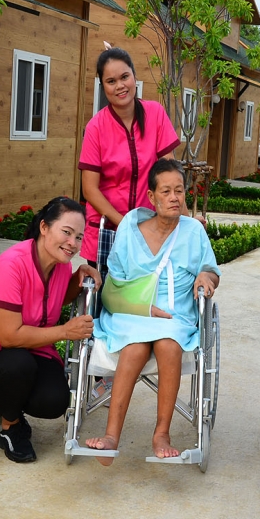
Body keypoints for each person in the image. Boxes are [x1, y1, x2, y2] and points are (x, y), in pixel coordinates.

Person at [86, 159, 220, 463]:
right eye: (166, 191)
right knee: (134, 347)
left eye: (179, 191)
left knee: (168, 344)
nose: (174, 198)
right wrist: (143, 308)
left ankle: (162, 434)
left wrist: (206, 277)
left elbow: (211, 271)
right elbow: (115, 284)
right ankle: (111, 436)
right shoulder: (130, 227)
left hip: (175, 316)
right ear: (152, 196)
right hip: (131, 314)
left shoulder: (193, 232)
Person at [0, 198, 100, 463]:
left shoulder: (61, 265)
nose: (73, 243)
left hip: (33, 349)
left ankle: (13, 400)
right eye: (66, 232)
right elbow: (9, 336)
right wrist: (65, 331)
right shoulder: (11, 264)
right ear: (44, 227)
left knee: (54, 401)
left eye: (79, 237)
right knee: (18, 365)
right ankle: (10, 428)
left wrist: (79, 276)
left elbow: (55, 298)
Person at [78, 47, 181, 269]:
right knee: (106, 290)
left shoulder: (155, 114)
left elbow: (169, 176)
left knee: (149, 289)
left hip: (150, 230)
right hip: (107, 231)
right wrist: (125, 224)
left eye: (125, 77)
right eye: (111, 81)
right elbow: (89, 189)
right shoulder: (95, 128)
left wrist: (182, 221)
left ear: (134, 76)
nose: (120, 86)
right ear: (103, 86)